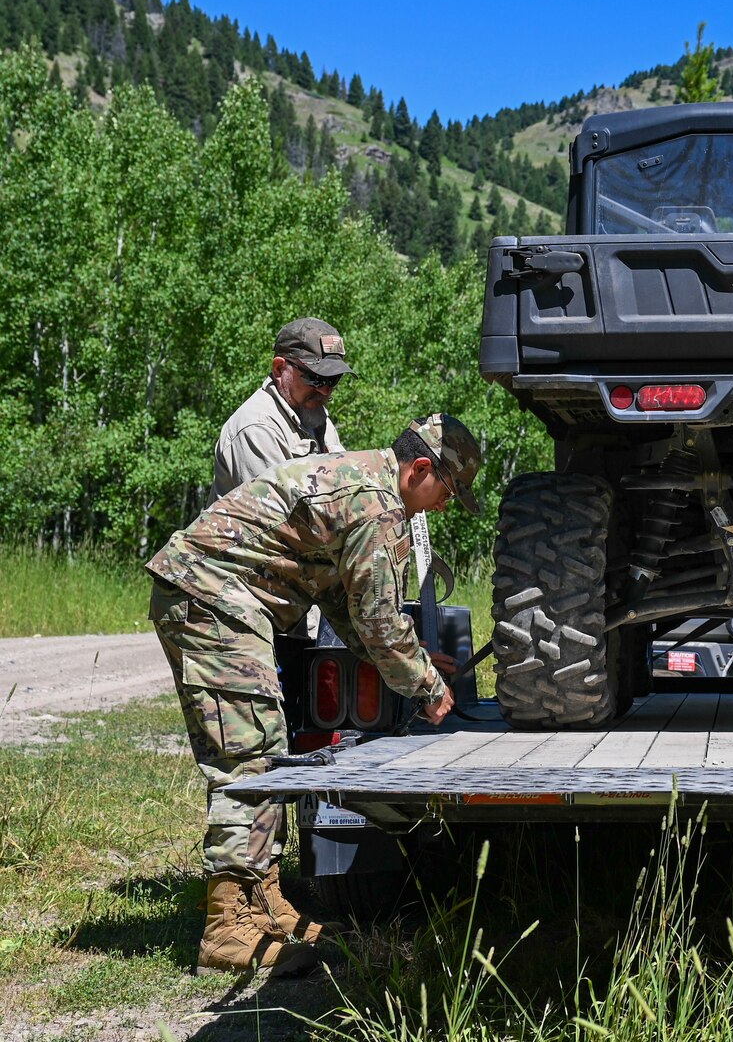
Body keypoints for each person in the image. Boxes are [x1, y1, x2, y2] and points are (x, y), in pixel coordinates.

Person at [146, 413, 482, 975]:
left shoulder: (365, 484)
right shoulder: (377, 508)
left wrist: (411, 656)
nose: (445, 504)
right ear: (420, 469)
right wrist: (427, 686)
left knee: (268, 744)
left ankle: (264, 901)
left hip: (220, 596)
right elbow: (375, 618)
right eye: (447, 490)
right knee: (249, 755)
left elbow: (343, 606)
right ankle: (226, 928)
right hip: (212, 597)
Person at [210, 317, 351, 504]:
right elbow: (285, 517)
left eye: (334, 379)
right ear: (279, 368)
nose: (325, 390)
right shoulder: (257, 427)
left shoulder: (314, 412)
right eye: (315, 378)